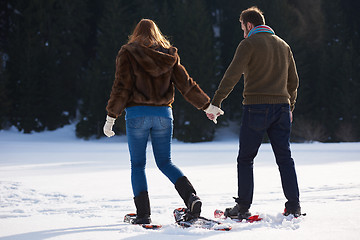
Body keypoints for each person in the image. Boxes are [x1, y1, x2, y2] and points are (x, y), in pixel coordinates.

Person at [103, 19, 211, 224]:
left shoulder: (128, 52)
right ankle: (191, 197)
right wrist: (207, 106)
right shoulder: (169, 55)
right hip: (163, 115)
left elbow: (121, 87)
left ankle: (143, 214)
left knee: (138, 165)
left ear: (136, 33)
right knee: (165, 162)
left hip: (137, 115)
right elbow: (186, 85)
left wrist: (111, 116)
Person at [204, 6, 301, 218]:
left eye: (242, 28)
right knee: (285, 158)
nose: (243, 32)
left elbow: (232, 74)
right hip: (282, 109)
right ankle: (294, 206)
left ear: (249, 25)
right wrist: (290, 106)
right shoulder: (284, 46)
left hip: (256, 108)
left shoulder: (248, 44)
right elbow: (294, 81)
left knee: (246, 159)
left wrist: (217, 102)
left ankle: (243, 207)